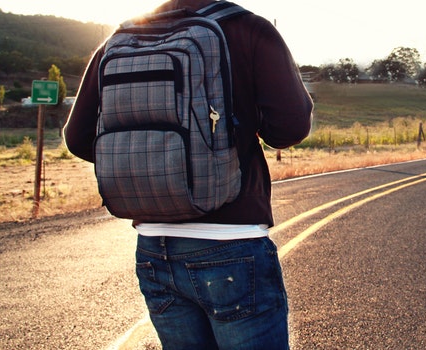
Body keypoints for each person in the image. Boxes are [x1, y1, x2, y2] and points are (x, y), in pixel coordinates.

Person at [63, 0, 313, 348]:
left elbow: (77, 138)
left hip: (153, 247)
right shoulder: (249, 28)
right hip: (231, 241)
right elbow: (289, 128)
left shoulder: (123, 36)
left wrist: (152, 166)